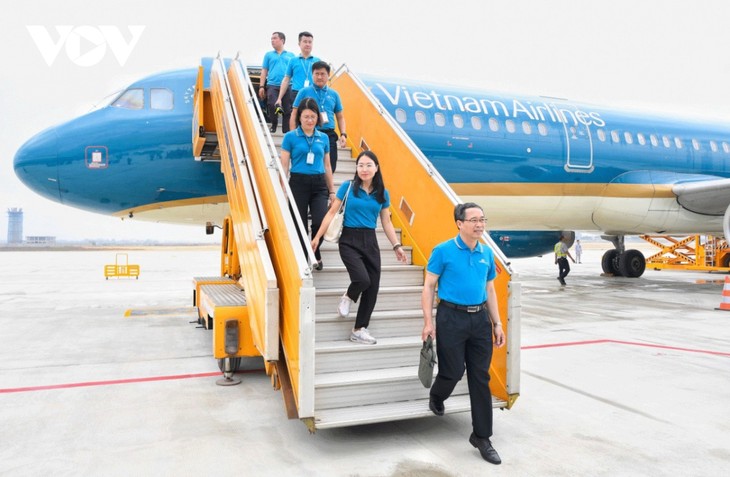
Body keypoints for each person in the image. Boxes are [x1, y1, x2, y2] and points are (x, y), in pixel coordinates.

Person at [421, 202, 506, 465]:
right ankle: (437, 395)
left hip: (479, 319)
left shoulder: (486, 253)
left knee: (480, 376)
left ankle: (482, 436)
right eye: (474, 220)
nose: (480, 225)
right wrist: (428, 322)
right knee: (453, 371)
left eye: (483, 219)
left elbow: (489, 289)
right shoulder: (443, 251)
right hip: (451, 317)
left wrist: (497, 323)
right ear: (460, 223)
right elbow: (429, 286)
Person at [311, 150, 407, 344]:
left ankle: (359, 329)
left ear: (376, 168)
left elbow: (386, 221)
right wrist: (317, 237)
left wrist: (396, 245)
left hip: (370, 241)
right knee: (362, 279)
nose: (364, 169)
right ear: (356, 168)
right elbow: (331, 212)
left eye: (368, 165)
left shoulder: (382, 193)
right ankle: (348, 296)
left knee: (373, 287)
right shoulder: (347, 187)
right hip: (349, 239)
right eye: (361, 165)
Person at [280, 98, 335, 270]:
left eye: (313, 116)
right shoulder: (290, 137)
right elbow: (284, 165)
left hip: (319, 184)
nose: (310, 120)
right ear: (300, 117)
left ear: (318, 117)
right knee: (299, 224)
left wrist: (332, 191)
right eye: (306, 117)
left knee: (320, 221)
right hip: (298, 183)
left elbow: (327, 165)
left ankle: (315, 250)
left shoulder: (323, 138)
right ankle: (305, 261)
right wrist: (282, 188)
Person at [291, 61, 347, 172]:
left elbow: (340, 117)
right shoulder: (303, 92)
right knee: (308, 167)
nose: (319, 77)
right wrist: (293, 134)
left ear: (328, 75)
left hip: (329, 134)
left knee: (330, 166)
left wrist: (343, 134)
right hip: (308, 133)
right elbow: (294, 114)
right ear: (312, 75)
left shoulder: (334, 94)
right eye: (316, 74)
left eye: (322, 74)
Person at [258, 31, 295, 134]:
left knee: (287, 109)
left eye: (274, 38)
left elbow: (295, 71)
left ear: (282, 40)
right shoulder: (268, 55)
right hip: (272, 85)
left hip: (288, 85)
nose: (272, 40)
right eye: (271, 38)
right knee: (271, 104)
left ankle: (286, 131)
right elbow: (264, 71)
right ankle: (274, 123)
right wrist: (261, 86)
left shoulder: (291, 55)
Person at [275, 31, 319, 113]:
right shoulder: (293, 60)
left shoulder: (317, 61)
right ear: (299, 43)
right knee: (296, 116)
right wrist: (279, 98)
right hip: (296, 93)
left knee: (312, 116)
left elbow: (322, 80)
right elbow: (286, 79)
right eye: (305, 41)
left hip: (313, 92)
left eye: (310, 42)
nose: (308, 44)